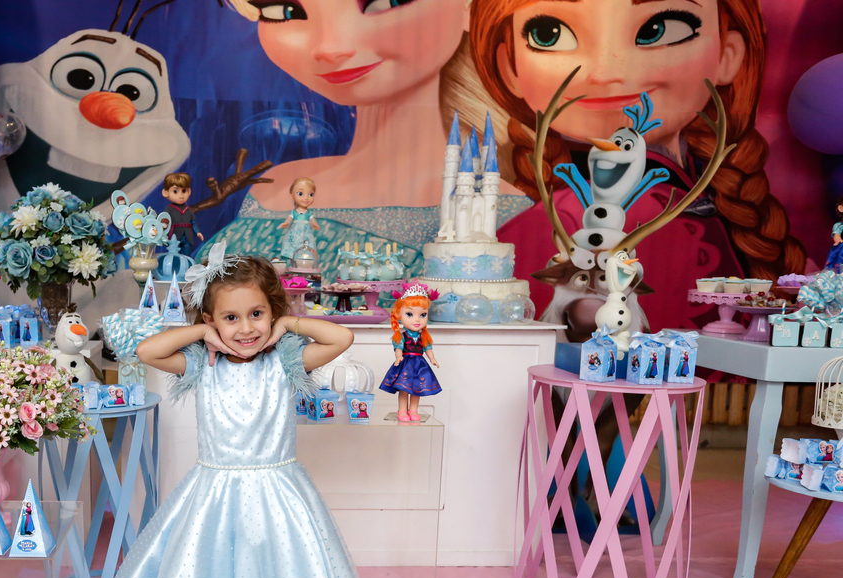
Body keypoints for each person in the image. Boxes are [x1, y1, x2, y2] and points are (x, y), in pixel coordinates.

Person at [72, 243, 393, 578]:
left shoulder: (286, 360)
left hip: (278, 496)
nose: (246, 328)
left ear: (272, 313)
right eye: (230, 318)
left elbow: (342, 336)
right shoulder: (203, 363)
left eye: (257, 314)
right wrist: (202, 333)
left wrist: (289, 325)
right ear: (212, 321)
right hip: (214, 498)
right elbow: (147, 351)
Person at [469, 0, 805, 331]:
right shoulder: (556, 222)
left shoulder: (698, 202)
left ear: (728, 54)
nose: (605, 74)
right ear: (509, 66)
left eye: (659, 29)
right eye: (549, 33)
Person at [208, 0, 530, 280]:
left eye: (385, 2)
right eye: (283, 9)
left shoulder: (499, 210)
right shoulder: (275, 187)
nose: (330, 47)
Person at [380, 283, 442, 421]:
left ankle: (413, 410)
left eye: (423, 314)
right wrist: (398, 357)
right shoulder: (401, 336)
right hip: (406, 364)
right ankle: (402, 410)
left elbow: (428, 348)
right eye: (409, 314)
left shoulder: (423, 336)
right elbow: (398, 348)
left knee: (417, 389)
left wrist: (432, 359)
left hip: (420, 365)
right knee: (404, 389)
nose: (417, 319)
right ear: (399, 314)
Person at [276, 177, 320, 259]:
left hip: (306, 233)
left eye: (311, 194)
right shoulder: (294, 212)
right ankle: (293, 262)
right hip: (295, 233)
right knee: (293, 247)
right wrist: (286, 223)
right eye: (300, 194)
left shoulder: (309, 213)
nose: (306, 198)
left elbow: (313, 220)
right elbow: (289, 219)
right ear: (291, 195)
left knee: (306, 247)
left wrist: (315, 225)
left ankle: (304, 261)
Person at [160, 172, 203, 255]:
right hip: (174, 235)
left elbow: (193, 221)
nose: (181, 196)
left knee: (187, 253)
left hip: (187, 235)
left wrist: (197, 232)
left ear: (189, 191)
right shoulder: (169, 209)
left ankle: (186, 263)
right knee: (174, 254)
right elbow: (164, 221)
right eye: (175, 191)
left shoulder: (188, 209)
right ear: (166, 193)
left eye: (184, 191)